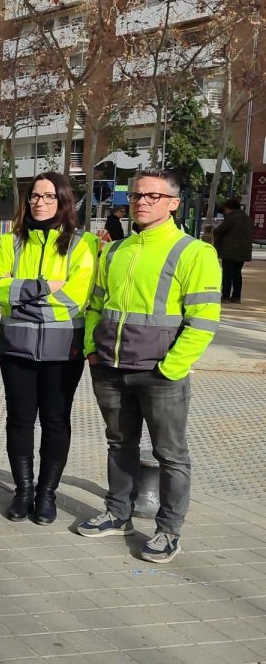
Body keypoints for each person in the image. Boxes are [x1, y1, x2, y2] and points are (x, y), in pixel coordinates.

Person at [77, 168, 221, 564]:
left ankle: (168, 531)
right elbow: (96, 304)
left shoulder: (194, 252)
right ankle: (117, 513)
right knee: (119, 444)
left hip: (160, 374)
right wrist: (93, 349)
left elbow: (204, 320)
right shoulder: (116, 250)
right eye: (137, 195)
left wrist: (171, 368)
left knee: (170, 454)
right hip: (110, 367)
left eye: (152, 196)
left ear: (173, 203)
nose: (141, 202)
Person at [0, 172, 98, 525]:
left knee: (55, 420)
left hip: (63, 351)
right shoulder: (9, 243)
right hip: (16, 347)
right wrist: (44, 286)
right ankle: (23, 490)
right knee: (18, 420)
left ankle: (46, 494)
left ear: (64, 201)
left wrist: (21, 298)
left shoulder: (83, 244)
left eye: (49, 197)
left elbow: (76, 299)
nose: (40, 203)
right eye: (35, 196)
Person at [212, 197, 251, 304]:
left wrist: (213, 230)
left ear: (230, 208)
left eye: (225, 209)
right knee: (237, 273)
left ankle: (225, 296)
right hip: (243, 251)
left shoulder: (231, 218)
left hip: (229, 251)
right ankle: (236, 297)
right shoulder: (246, 218)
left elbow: (219, 230)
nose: (224, 211)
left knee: (227, 274)